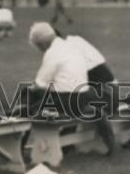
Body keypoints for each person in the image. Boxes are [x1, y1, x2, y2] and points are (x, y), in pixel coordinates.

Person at [26, 22, 115, 153]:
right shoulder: (71, 47)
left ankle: (19, 136)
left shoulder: (52, 53)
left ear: (42, 44)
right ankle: (92, 117)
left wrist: (32, 89)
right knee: (42, 100)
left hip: (67, 100)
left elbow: (39, 85)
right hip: (84, 96)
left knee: (28, 105)